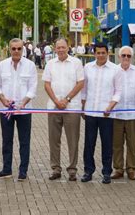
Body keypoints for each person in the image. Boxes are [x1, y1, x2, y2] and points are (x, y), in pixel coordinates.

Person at [0, 38, 38, 181]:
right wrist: (3, 99)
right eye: (14, 49)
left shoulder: (30, 66)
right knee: (7, 140)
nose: (16, 51)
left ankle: (23, 171)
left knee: (24, 141)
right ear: (9, 49)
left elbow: (33, 87)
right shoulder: (2, 65)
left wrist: (24, 101)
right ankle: (6, 169)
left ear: (23, 49)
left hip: (24, 110)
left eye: (19, 49)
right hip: (6, 110)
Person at [42, 38, 84, 181]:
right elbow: (47, 84)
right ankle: (56, 169)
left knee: (73, 140)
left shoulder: (76, 63)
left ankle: (72, 169)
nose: (60, 50)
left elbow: (80, 83)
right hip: (54, 107)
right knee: (54, 140)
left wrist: (66, 100)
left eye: (63, 47)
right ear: (55, 49)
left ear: (68, 47)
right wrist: (56, 101)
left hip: (71, 108)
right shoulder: (50, 64)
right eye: (58, 47)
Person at [80, 42, 121, 184]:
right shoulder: (87, 68)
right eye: (98, 53)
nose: (101, 55)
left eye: (103, 53)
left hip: (107, 114)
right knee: (89, 144)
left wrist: (110, 106)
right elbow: (84, 90)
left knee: (107, 144)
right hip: (91, 112)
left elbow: (118, 91)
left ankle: (106, 172)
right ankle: (88, 171)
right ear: (94, 53)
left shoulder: (115, 69)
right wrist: (83, 107)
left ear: (107, 53)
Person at [111, 46, 135, 181]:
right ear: (119, 57)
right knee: (116, 144)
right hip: (116, 114)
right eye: (123, 55)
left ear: (132, 57)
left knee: (132, 143)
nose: (126, 58)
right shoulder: (113, 71)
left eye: (128, 56)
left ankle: (131, 169)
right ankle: (118, 168)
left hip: (133, 114)